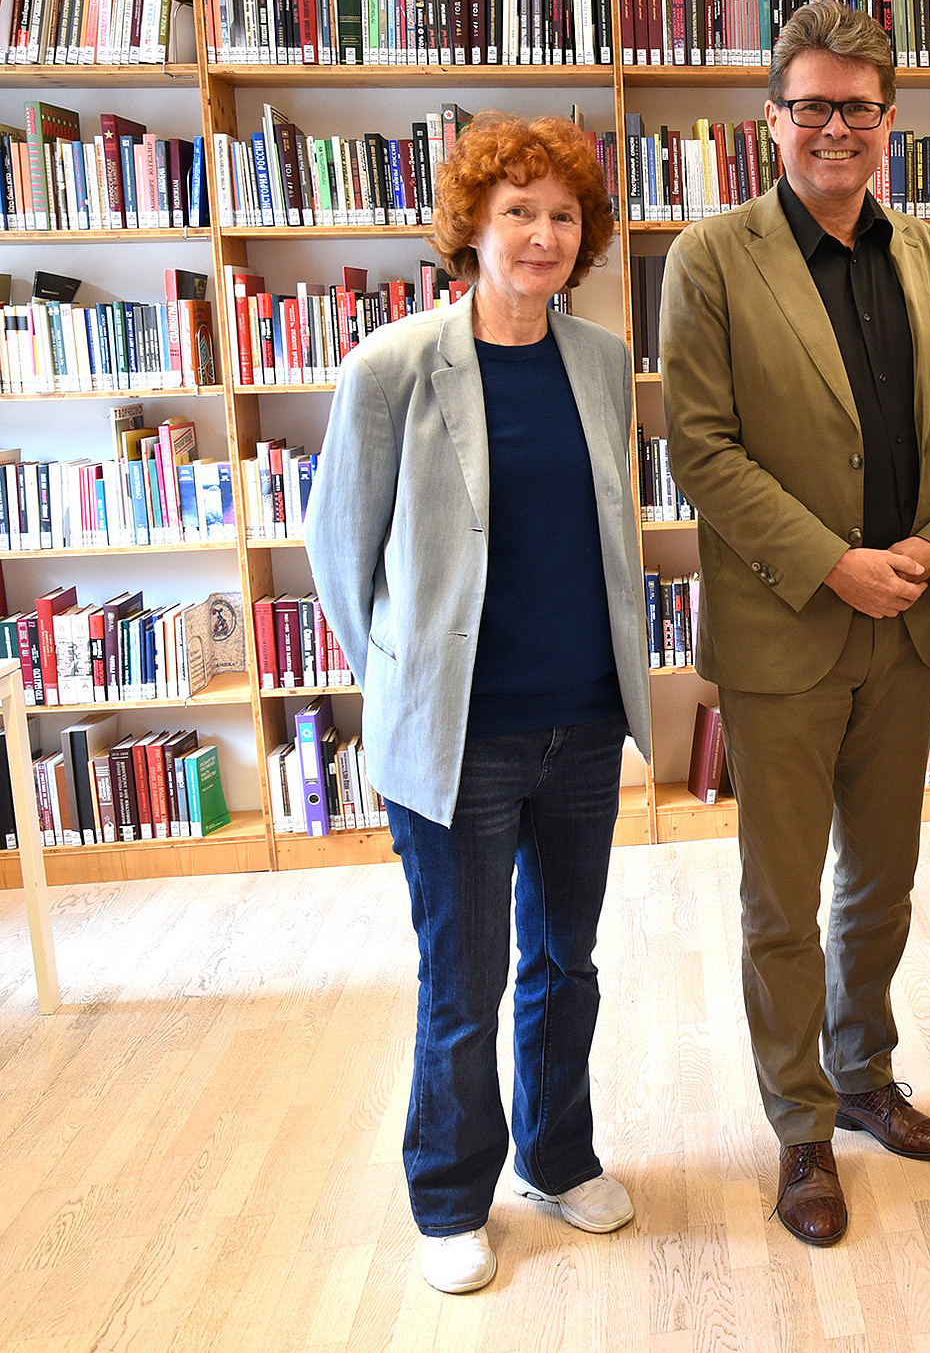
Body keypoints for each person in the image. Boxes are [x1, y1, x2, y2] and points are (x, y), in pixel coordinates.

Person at [658, 1, 930, 1248]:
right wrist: (831, 562)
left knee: (886, 879)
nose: (836, 128)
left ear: (889, 120)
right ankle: (800, 1122)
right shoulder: (711, 258)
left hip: (908, 621)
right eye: (812, 106)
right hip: (786, 626)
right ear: (773, 119)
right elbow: (698, 444)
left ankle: (864, 1072)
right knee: (781, 896)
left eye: (859, 107)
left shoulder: (928, 256)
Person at [305, 113, 653, 1296]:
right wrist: (406, 683)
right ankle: (450, 1193)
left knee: (568, 958)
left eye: (563, 215)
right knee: (463, 976)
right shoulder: (392, 365)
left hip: (583, 722)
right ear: (472, 225)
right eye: (520, 210)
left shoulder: (600, 360)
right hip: (458, 736)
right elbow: (343, 557)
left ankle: (557, 1156)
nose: (544, 234)